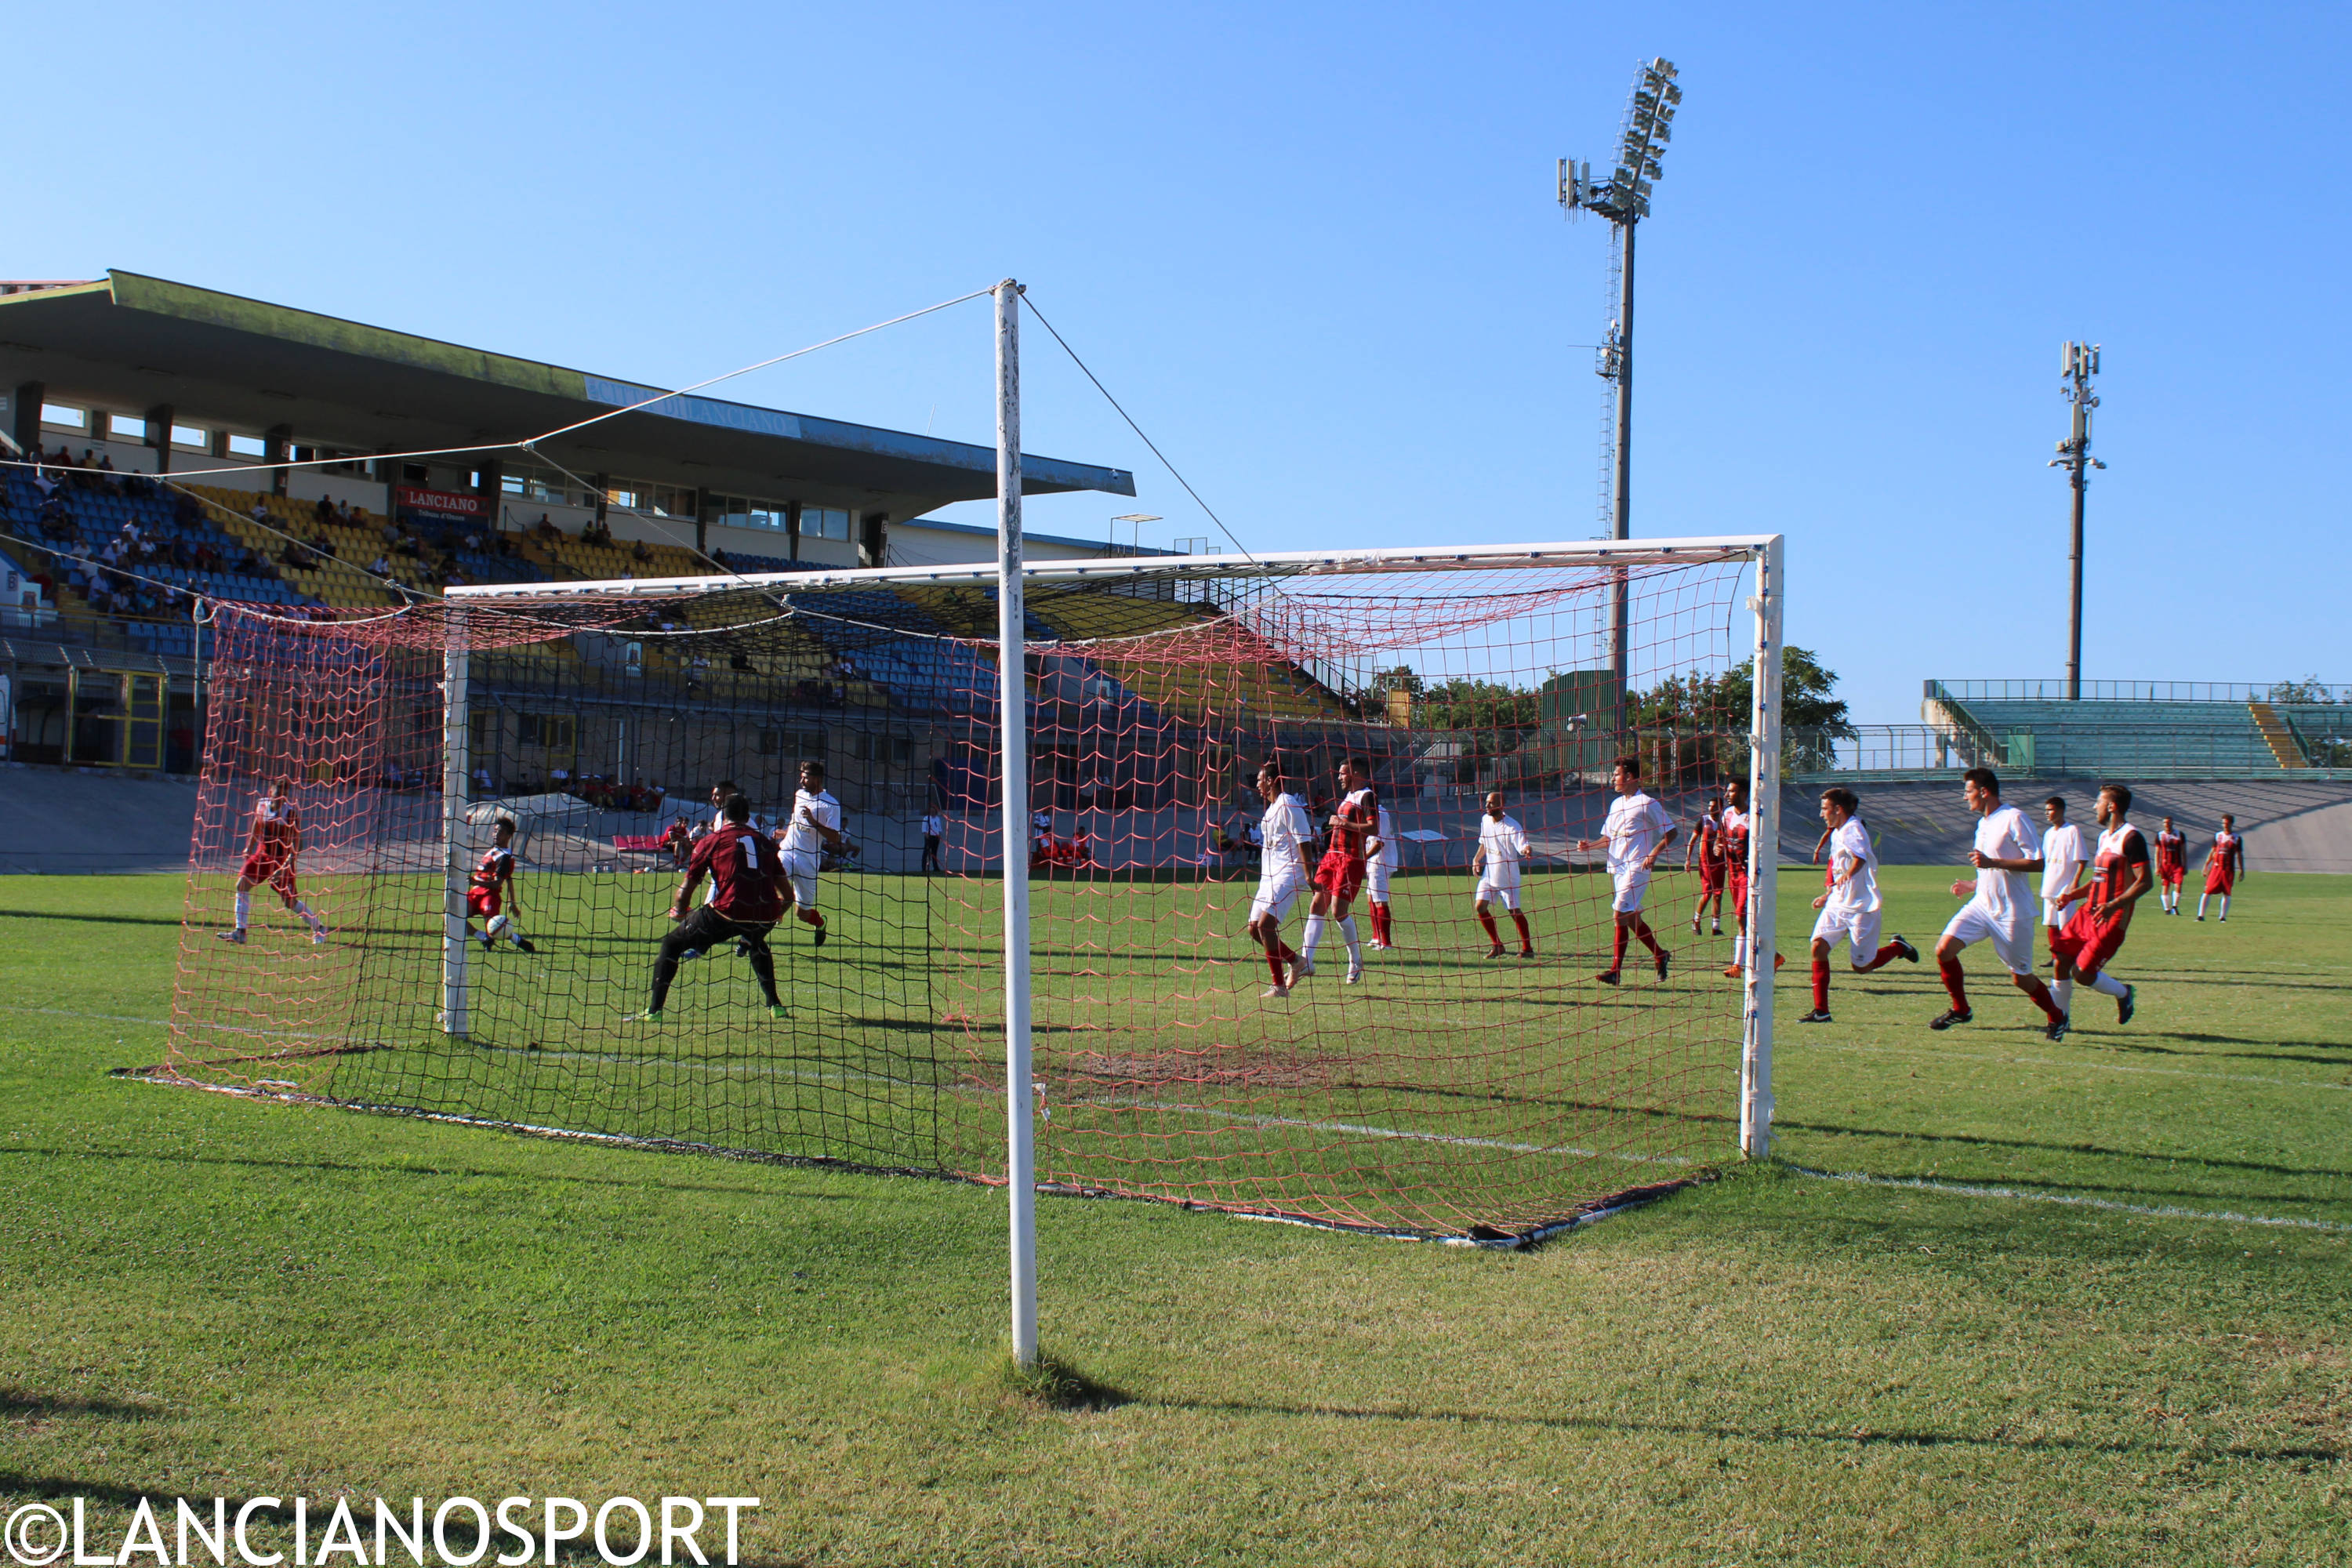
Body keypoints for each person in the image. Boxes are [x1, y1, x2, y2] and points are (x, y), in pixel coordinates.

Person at [626, 793, 791, 1024]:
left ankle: (654, 1011)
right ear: (747, 817)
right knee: (757, 942)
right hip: (764, 913)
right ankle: (776, 1006)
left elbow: (687, 888)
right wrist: (772, 917)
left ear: (723, 817)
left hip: (727, 911)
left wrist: (680, 912)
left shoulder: (712, 840)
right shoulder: (765, 842)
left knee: (671, 944)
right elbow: (789, 896)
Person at [1933, 768, 2071, 1040]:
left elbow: (2038, 862)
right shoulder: (1983, 823)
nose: (1965, 798)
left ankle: (2057, 1016)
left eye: (1968, 791)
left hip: (2012, 912)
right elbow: (1988, 868)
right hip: (1981, 906)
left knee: (2021, 978)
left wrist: (1992, 862)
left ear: (1984, 792)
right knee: (1943, 950)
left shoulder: (2014, 817)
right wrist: (1972, 884)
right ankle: (1961, 1009)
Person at [1797, 787, 1917, 1023]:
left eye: (1824, 809)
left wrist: (1847, 876)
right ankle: (1822, 1011)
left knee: (1862, 967)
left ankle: (1898, 948)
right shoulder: (1837, 831)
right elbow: (1839, 867)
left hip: (1862, 907)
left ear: (1838, 809)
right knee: (1818, 948)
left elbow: (1859, 858)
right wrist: (1828, 893)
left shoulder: (1854, 829)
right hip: (1837, 904)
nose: (1822, 814)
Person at [2048, 783, 2147, 1027]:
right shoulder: (2104, 837)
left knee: (2082, 974)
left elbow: (2145, 882)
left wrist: (2114, 905)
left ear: (2112, 807)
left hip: (2110, 919)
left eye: (2099, 802)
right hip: (2088, 913)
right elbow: (2098, 880)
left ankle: (2123, 993)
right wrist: (2072, 895)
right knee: (2061, 959)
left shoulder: (2132, 837)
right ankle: (2061, 1020)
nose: (2095, 807)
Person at [1577, 757, 1676, 984]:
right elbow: (1608, 838)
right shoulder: (1617, 804)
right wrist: (1589, 846)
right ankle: (1660, 954)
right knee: (1631, 919)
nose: (1613, 778)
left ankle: (1615, 971)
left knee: (1619, 915)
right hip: (1618, 868)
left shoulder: (1647, 803)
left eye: (1616, 774)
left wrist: (1654, 853)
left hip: (1637, 866)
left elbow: (1671, 832)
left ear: (1630, 777)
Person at [215, 775, 328, 946]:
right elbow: (257, 824)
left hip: (282, 860)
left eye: (285, 794)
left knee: (289, 902)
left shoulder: (290, 814)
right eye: (278, 793)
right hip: (263, 854)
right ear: (271, 792)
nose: (281, 797)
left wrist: (286, 866)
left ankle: (319, 927)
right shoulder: (262, 805)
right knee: (242, 884)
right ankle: (241, 932)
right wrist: (249, 847)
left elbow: (298, 844)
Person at [1299, 755, 1378, 985]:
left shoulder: (1367, 796)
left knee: (1337, 911)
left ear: (1356, 774)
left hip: (1351, 859)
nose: (1340, 777)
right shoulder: (1348, 797)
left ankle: (1355, 960)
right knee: (1317, 902)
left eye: (1343, 773)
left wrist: (1343, 823)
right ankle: (1307, 962)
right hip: (1331, 857)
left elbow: (1374, 827)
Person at [1244, 760, 1316, 999]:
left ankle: (1279, 987)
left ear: (1271, 781)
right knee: (1254, 929)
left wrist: (1308, 875)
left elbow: (1303, 839)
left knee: (1266, 926)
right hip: (1269, 877)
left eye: (1259, 780)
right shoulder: (1270, 810)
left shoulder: (1288, 803)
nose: (1257, 785)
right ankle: (1297, 961)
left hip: (1289, 874)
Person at [1719, 778, 1782, 978]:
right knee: (1748, 921)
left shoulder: (1755, 817)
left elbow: (1776, 844)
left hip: (1749, 875)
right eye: (1727, 791)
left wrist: (1757, 857)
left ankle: (1737, 966)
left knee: (1741, 917)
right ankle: (1773, 957)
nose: (1728, 795)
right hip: (1733, 874)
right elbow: (1721, 838)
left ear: (1745, 793)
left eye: (1733, 791)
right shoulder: (1727, 814)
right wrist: (1717, 846)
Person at [780, 760, 844, 946]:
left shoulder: (831, 805)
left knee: (803, 914)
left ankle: (821, 923)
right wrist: (785, 833)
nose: (801, 782)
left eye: (805, 778)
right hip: (787, 851)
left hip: (808, 860)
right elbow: (795, 821)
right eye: (801, 778)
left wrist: (814, 822)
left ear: (817, 779)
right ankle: (768, 920)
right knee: (772, 882)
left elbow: (835, 838)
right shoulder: (799, 795)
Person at [1473, 789, 1537, 960]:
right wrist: (1476, 859)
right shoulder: (1485, 820)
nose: (1487, 806)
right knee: (1480, 907)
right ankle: (1497, 945)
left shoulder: (1512, 826)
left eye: (1491, 803)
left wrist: (1526, 850)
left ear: (1501, 806)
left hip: (1507, 876)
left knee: (1514, 912)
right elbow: (1484, 843)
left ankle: (1528, 949)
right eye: (1486, 802)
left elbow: (1522, 845)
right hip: (1489, 873)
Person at [463, 815, 537, 953]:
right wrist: (512, 902)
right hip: (474, 893)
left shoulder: (505, 857)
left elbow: (498, 884)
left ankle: (517, 940)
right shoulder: (493, 851)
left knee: (494, 928)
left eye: (501, 832)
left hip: (489, 895)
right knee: (451, 915)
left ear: (509, 836)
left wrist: (475, 881)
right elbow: (509, 879)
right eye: (495, 831)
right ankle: (483, 938)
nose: (496, 834)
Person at [2038, 797, 2087, 971]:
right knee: (2051, 924)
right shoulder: (2048, 833)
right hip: (2049, 885)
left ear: (2060, 810)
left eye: (2050, 810)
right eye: (2046, 810)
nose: (2047, 814)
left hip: (2065, 887)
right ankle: (2055, 957)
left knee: (2066, 926)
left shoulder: (2072, 830)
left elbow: (2082, 859)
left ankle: (2072, 957)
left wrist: (2075, 883)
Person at [1684, 794, 1727, 936]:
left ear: (1720, 808)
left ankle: (1716, 927)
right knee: (1708, 893)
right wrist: (1688, 859)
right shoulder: (1703, 821)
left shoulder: (1725, 823)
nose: (1711, 809)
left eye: (1714, 807)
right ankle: (1696, 922)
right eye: (1709, 806)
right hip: (1705, 863)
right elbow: (1692, 841)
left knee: (1718, 895)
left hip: (1720, 863)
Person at [1366, 796, 1400, 949]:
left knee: (1380, 899)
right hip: (1373, 861)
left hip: (1380, 861)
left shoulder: (1381, 814)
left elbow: (1380, 842)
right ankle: (1376, 936)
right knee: (1370, 897)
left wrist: (1363, 857)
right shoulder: (1371, 813)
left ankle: (1386, 942)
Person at [2197, 814, 2245, 921]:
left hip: (2228, 869)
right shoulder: (2218, 836)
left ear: (2231, 824)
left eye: (2227, 823)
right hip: (2216, 868)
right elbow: (2213, 851)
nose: (2225, 825)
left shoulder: (2237, 838)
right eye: (2223, 823)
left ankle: (2222, 917)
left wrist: (2242, 870)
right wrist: (2206, 865)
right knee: (2207, 890)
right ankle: (2200, 915)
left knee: (2227, 892)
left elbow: (2239, 855)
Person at [2153, 815, 2188, 914]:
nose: (2167, 824)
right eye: (2165, 823)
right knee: (2165, 886)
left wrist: (2185, 865)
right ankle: (2167, 909)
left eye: (2169, 822)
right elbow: (2157, 852)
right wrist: (2157, 867)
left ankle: (2175, 906)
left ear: (2172, 823)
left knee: (2178, 885)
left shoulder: (2180, 835)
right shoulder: (2160, 835)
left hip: (2177, 865)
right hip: (2165, 866)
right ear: (2163, 824)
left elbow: (2183, 851)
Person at [920, 808, 946, 875]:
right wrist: (927, 837)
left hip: (936, 837)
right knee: (926, 853)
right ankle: (923, 868)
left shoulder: (938, 819)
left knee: (934, 853)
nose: (933, 813)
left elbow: (939, 829)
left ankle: (936, 868)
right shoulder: (926, 818)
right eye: (931, 811)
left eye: (934, 812)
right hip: (929, 837)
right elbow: (924, 829)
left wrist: (939, 837)